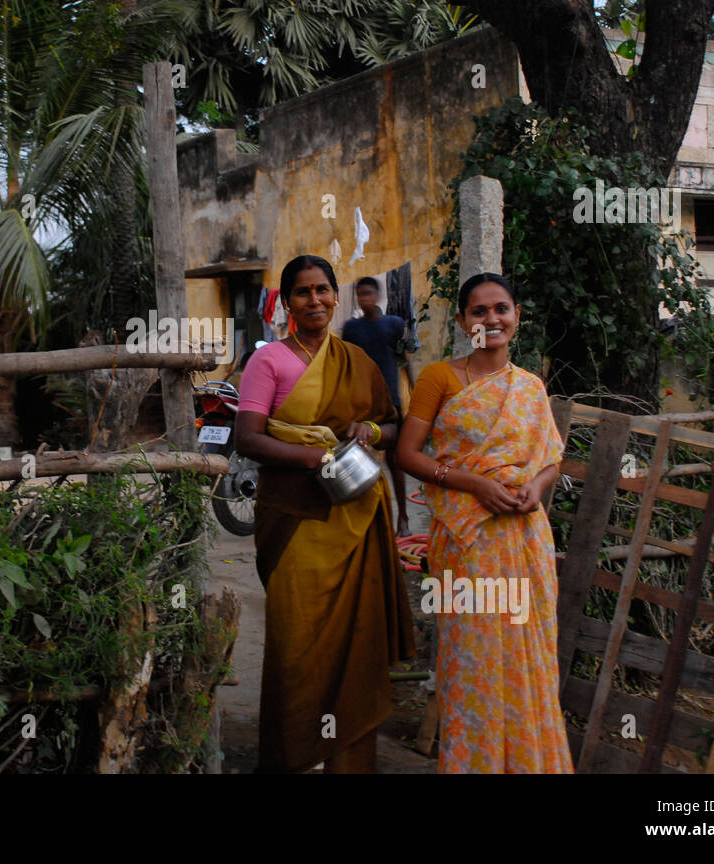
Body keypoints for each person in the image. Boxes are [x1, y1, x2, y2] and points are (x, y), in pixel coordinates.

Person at [234, 255, 416, 773]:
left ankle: (346, 759)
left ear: (336, 296)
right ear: (287, 303)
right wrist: (319, 456)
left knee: (354, 646)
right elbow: (249, 438)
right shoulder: (268, 360)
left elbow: (393, 426)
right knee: (298, 647)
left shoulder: (355, 359)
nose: (314, 301)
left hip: (354, 518)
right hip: (294, 521)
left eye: (322, 290)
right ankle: (294, 755)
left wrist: (371, 433)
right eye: (302, 293)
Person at [395, 273, 572, 773]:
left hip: (524, 537)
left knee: (528, 654)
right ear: (462, 321)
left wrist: (535, 490)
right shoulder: (440, 378)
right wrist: (473, 484)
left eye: (501, 309)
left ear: (517, 316)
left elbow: (549, 459)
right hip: (467, 543)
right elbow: (408, 453)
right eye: (478, 311)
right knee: (471, 661)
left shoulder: (531, 387)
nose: (491, 319)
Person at [343, 275, 412, 536]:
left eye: (369, 294)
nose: (365, 299)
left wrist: (413, 390)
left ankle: (403, 519)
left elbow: (404, 360)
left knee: (395, 462)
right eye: (360, 295)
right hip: (361, 403)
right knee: (359, 462)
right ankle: (365, 523)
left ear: (378, 296)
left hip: (391, 403)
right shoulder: (352, 329)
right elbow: (347, 365)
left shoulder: (393, 325)